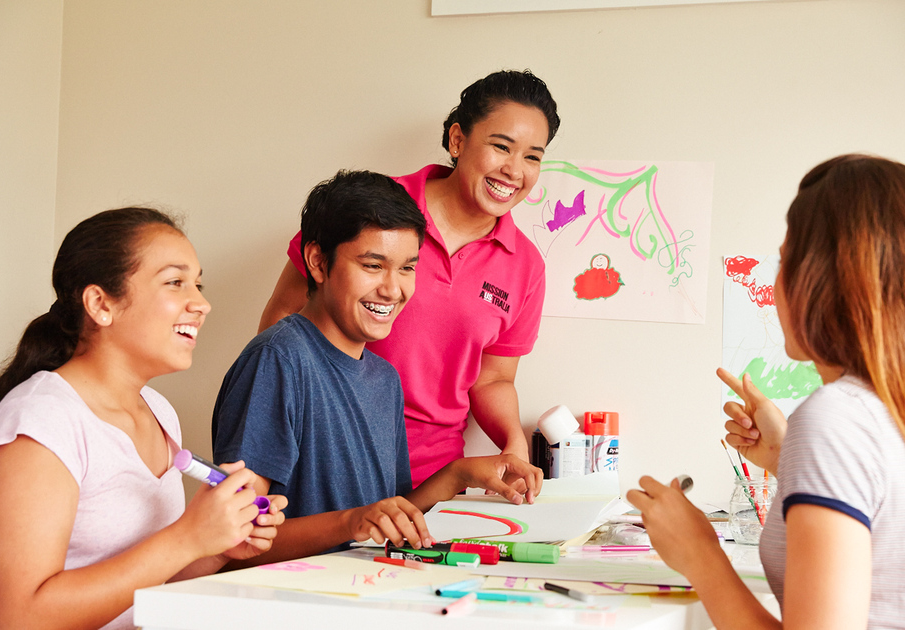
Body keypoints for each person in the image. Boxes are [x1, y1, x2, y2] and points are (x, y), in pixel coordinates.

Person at [627, 155, 905, 629]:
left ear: (820, 279)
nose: (774, 284)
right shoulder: (880, 408)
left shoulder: (836, 419)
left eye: (785, 260)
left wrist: (699, 555)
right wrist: (783, 459)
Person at [213, 170, 543, 562]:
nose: (392, 289)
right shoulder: (278, 361)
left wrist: (457, 475)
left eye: (407, 268)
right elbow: (235, 542)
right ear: (318, 262)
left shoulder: (384, 379)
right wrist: (351, 522)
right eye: (373, 265)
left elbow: (388, 512)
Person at [258, 70, 561, 486]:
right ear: (458, 140)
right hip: (328, 454)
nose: (514, 170)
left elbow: (493, 377)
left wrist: (513, 444)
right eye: (501, 147)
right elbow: (285, 316)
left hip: (432, 478)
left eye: (532, 156)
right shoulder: (370, 210)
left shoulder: (525, 265)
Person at [0, 208, 286, 630]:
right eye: (175, 282)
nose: (201, 303)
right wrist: (187, 537)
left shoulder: (158, 411)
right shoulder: (42, 420)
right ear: (100, 304)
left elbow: (146, 585)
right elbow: (22, 618)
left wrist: (218, 545)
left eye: (198, 284)